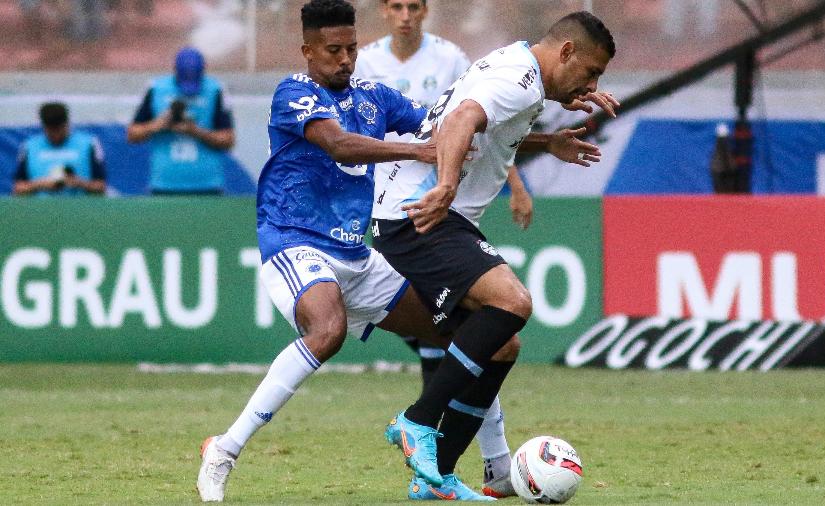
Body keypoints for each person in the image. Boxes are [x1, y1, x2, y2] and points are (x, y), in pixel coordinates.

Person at [195, 0, 498, 502]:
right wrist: (420, 151)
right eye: (333, 50)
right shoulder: (293, 93)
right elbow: (339, 145)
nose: (345, 59)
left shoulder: (374, 96)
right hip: (293, 240)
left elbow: (448, 124)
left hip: (355, 253)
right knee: (328, 330)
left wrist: (544, 138)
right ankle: (224, 449)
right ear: (308, 51)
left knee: (471, 336)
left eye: (352, 49)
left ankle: (488, 468)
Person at [372, 10, 618, 491]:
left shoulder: (520, 68)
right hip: (420, 214)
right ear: (566, 52)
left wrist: (548, 143)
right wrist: (445, 184)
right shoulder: (520, 81)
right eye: (590, 72)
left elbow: (492, 131)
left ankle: (435, 476)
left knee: (503, 345)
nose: (590, 85)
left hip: (425, 214)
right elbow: (463, 118)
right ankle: (417, 421)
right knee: (513, 302)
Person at [354, 1, 528, 497]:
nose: (406, 14)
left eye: (414, 5)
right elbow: (351, 137)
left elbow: (487, 127)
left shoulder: (451, 59)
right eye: (396, 5)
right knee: (473, 335)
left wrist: (515, 182)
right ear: (384, 12)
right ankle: (436, 437)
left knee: (480, 338)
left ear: (426, 10)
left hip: (436, 207)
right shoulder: (364, 62)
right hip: (399, 212)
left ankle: (475, 461)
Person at [127, 47, 235, 195]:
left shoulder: (215, 90)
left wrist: (195, 131)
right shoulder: (156, 89)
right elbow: (132, 134)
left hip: (207, 185)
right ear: (175, 70)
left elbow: (228, 140)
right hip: (164, 185)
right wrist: (158, 125)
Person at [14, 102, 106, 196]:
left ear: (67, 124)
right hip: (41, 208)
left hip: (80, 207)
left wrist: (79, 183)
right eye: (50, 131)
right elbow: (18, 188)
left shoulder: (88, 144)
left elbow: (101, 187)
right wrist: (39, 185)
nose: (55, 135)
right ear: (44, 126)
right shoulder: (29, 146)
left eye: (59, 130)